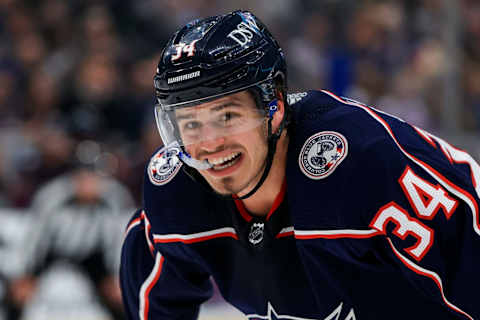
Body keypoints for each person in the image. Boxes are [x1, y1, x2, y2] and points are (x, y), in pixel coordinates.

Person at [120, 10, 480, 320]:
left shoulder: (362, 162)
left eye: (227, 115)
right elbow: (155, 301)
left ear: (273, 105)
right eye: (191, 124)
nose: (210, 144)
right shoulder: (175, 191)